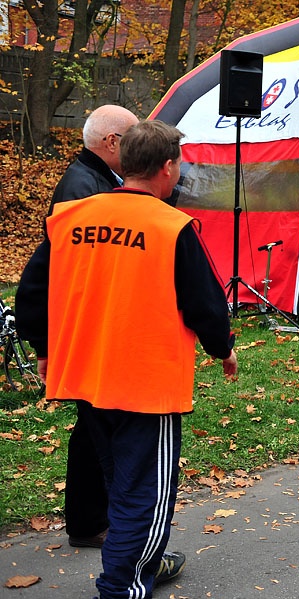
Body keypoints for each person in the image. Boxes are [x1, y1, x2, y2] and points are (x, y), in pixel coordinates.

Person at [16, 120, 237, 599]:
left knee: (120, 478)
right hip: (145, 382)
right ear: (168, 167)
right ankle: (124, 584)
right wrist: (222, 349)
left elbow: (31, 291)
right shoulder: (170, 226)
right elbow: (204, 303)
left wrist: (43, 350)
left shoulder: (71, 217)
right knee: (146, 494)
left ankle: (140, 563)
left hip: (86, 373)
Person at [41, 105, 142, 552]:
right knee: (93, 431)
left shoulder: (93, 180)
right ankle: (88, 522)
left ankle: (92, 518)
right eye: (133, 137)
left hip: (90, 328)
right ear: (112, 142)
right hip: (87, 329)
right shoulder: (83, 190)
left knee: (94, 427)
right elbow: (56, 269)